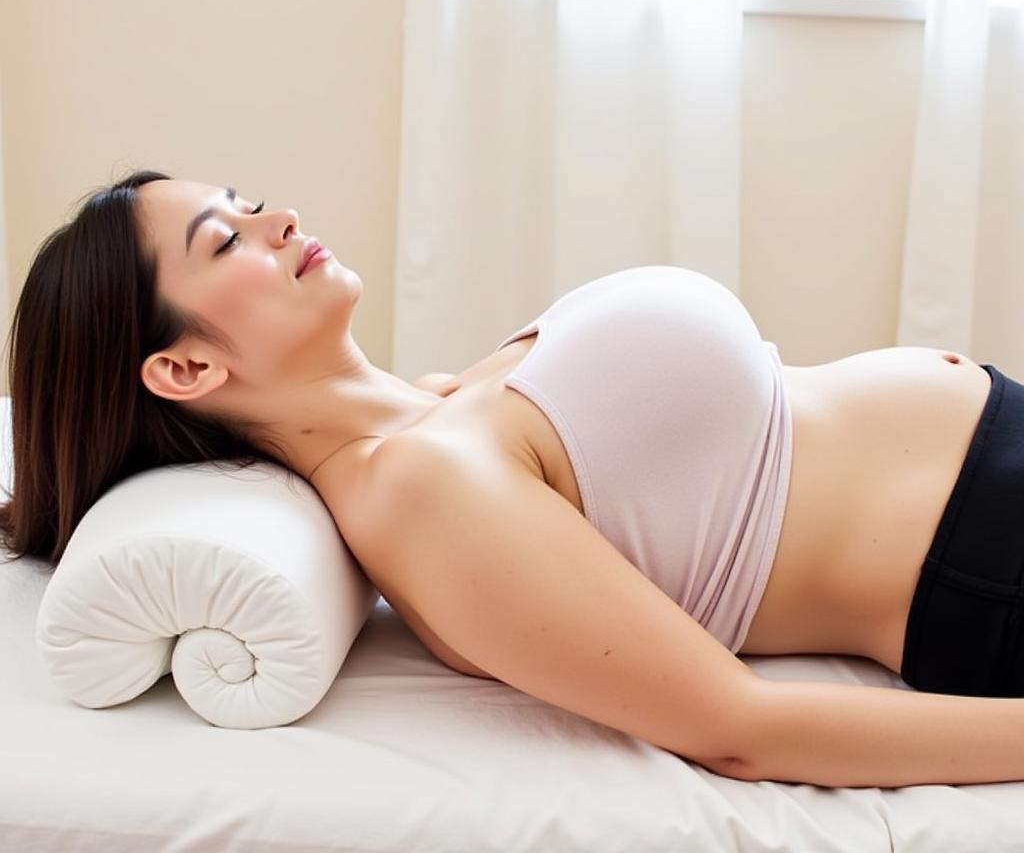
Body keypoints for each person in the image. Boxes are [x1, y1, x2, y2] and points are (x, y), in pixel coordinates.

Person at [4, 170, 1024, 789]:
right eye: (226, 239)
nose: (278, 221)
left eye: (251, 204)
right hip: (990, 557)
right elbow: (737, 730)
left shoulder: (435, 406)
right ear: (185, 368)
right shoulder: (413, 492)